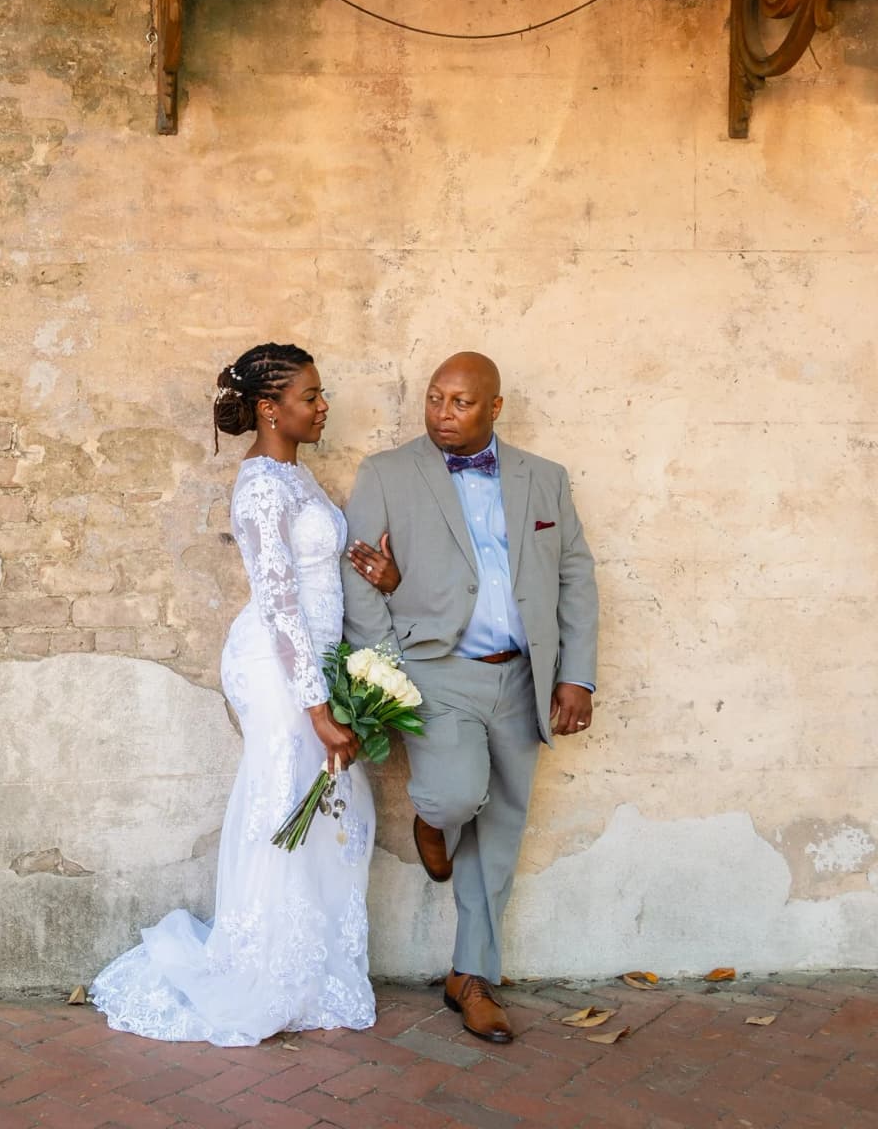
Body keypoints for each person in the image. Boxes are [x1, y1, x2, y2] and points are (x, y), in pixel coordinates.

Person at [91, 343, 386, 1046]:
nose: (322, 408)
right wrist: (318, 707)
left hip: (314, 661)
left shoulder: (298, 477)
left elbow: (317, 578)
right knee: (282, 798)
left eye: (321, 396)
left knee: (321, 810)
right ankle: (261, 969)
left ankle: (307, 966)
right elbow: (280, 602)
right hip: (278, 665)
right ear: (269, 408)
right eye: (310, 397)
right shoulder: (259, 485)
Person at [341, 351, 599, 1045]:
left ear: (494, 407)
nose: (443, 415)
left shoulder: (544, 480)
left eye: (459, 402)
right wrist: (389, 676)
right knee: (456, 797)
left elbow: (575, 577)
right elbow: (360, 579)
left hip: (522, 677)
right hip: (436, 672)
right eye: (434, 399)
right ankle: (433, 819)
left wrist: (577, 675)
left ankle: (472, 976)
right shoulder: (387, 474)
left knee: (501, 831)